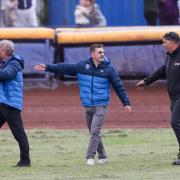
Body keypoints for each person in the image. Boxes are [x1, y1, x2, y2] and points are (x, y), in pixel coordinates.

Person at [34, 44, 131, 166]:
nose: (102, 54)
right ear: (92, 54)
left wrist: (126, 102)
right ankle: (103, 156)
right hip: (87, 106)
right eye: (99, 52)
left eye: (103, 52)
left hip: (101, 105)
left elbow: (119, 86)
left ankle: (90, 157)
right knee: (93, 132)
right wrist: (47, 67)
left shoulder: (109, 69)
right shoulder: (82, 66)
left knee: (95, 131)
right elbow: (64, 67)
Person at [136, 32, 180, 165]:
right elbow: (162, 70)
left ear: (173, 42)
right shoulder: (170, 56)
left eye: (165, 42)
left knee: (175, 122)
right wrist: (147, 81)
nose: (163, 45)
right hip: (174, 97)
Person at [0, 40, 30, 167]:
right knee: (19, 133)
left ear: (4, 51)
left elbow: (5, 76)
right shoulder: (4, 63)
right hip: (2, 102)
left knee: (19, 133)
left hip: (11, 104)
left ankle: (25, 161)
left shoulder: (14, 64)